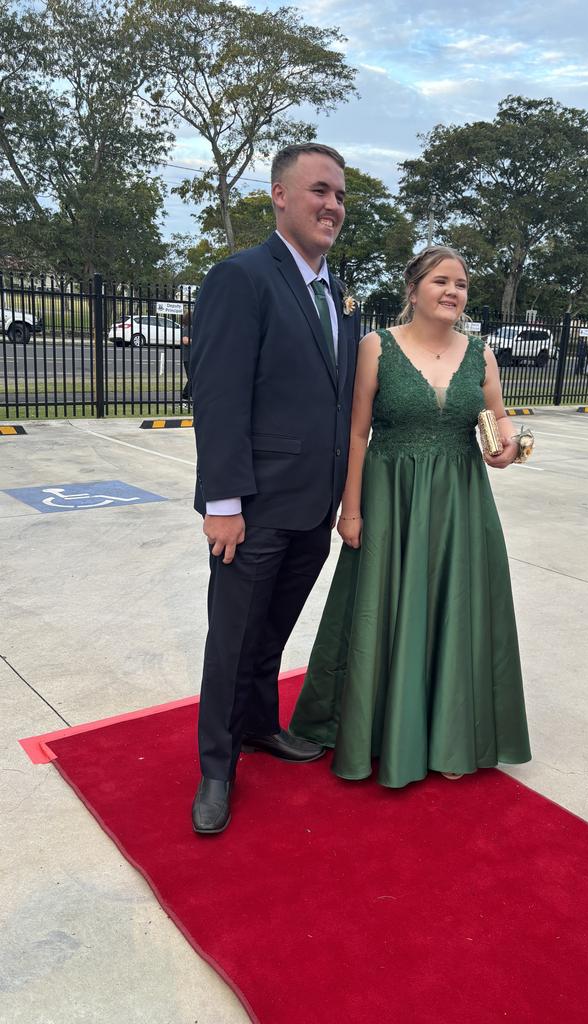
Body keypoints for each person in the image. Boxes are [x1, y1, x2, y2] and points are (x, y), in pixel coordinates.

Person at [290, 245, 531, 788]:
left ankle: (448, 735)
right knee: (381, 611)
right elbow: (356, 433)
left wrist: (509, 446)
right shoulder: (377, 347)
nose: (453, 292)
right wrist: (350, 509)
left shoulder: (481, 355)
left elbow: (498, 417)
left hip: (461, 505)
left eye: (462, 284)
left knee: (454, 611)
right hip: (391, 500)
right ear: (414, 288)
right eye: (441, 281)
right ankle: (375, 731)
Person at [189, 143, 360, 834]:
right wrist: (223, 505)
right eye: (320, 190)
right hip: (253, 507)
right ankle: (216, 769)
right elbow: (218, 394)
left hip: (311, 506)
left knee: (272, 630)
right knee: (231, 638)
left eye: (341, 196)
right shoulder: (242, 277)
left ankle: (259, 725)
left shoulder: (338, 296)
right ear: (280, 196)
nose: (333, 206)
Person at [180, 307, 192, 407]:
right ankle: (185, 398)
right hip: (188, 358)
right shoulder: (187, 328)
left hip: (192, 357)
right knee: (192, 378)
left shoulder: (192, 328)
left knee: (194, 378)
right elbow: (185, 340)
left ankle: (190, 399)